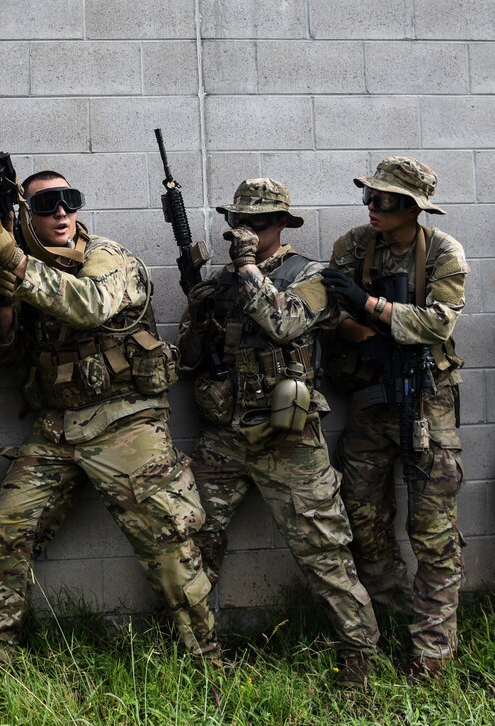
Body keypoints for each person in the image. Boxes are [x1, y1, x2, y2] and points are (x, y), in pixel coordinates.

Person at [0, 171, 219, 666]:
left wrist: (13, 257)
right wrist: (4, 309)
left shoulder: (108, 257)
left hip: (125, 421)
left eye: (69, 201)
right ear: (25, 216)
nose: (61, 212)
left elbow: (89, 306)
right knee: (8, 527)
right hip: (58, 427)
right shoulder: (29, 266)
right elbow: (3, 360)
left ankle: (207, 661)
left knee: (167, 540)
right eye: (46, 205)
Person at [177, 178, 381, 689]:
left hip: (289, 440)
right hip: (225, 437)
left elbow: (284, 324)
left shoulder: (313, 274)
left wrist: (247, 270)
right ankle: (194, 658)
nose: (247, 231)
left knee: (325, 553)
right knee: (190, 544)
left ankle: (359, 665)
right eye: (238, 223)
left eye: (259, 222)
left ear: (283, 225)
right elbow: (189, 359)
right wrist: (199, 308)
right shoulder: (223, 283)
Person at [321, 157, 467, 681]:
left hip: (427, 402)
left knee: (433, 534)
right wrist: (349, 326)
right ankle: (390, 621)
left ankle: (431, 655)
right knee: (363, 520)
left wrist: (372, 307)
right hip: (369, 400)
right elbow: (325, 304)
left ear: (412, 207)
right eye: (369, 198)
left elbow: (435, 323)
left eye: (383, 200)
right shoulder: (355, 245)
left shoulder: (444, 252)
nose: (371, 208)